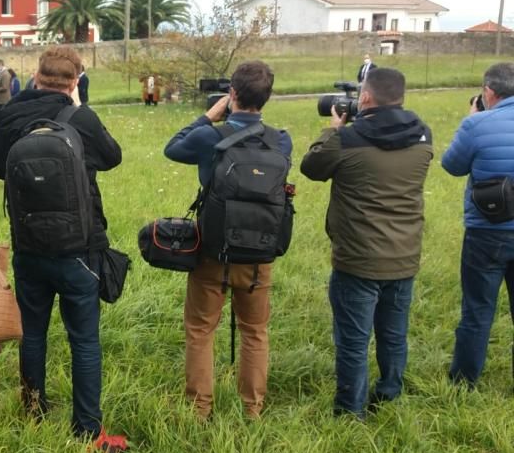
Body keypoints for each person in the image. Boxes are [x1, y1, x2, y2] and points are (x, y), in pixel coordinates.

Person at [0, 46, 126, 453]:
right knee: (84, 340)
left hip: (29, 245)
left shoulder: (10, 116)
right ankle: (87, 427)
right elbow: (112, 157)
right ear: (75, 81)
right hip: (78, 248)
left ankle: (33, 409)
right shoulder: (80, 118)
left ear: (35, 76)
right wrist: (77, 107)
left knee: (33, 333)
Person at [301, 67, 432, 418]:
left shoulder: (348, 139)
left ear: (366, 98)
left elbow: (311, 167)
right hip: (404, 255)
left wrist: (333, 130)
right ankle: (389, 393)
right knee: (393, 335)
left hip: (358, 258)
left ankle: (349, 410)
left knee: (354, 342)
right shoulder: (424, 136)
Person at [163, 61, 292, 419]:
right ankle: (253, 408)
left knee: (201, 330)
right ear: (267, 98)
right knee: (255, 331)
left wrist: (208, 116)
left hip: (212, 252)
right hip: (259, 254)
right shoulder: (281, 140)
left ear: (231, 94)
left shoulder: (210, 137)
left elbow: (172, 148)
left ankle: (199, 409)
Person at [442, 62, 514, 387]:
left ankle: (464, 380)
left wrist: (471, 121)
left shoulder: (477, 125)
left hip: (487, 229)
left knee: (477, 309)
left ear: (488, 92)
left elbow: (452, 166)